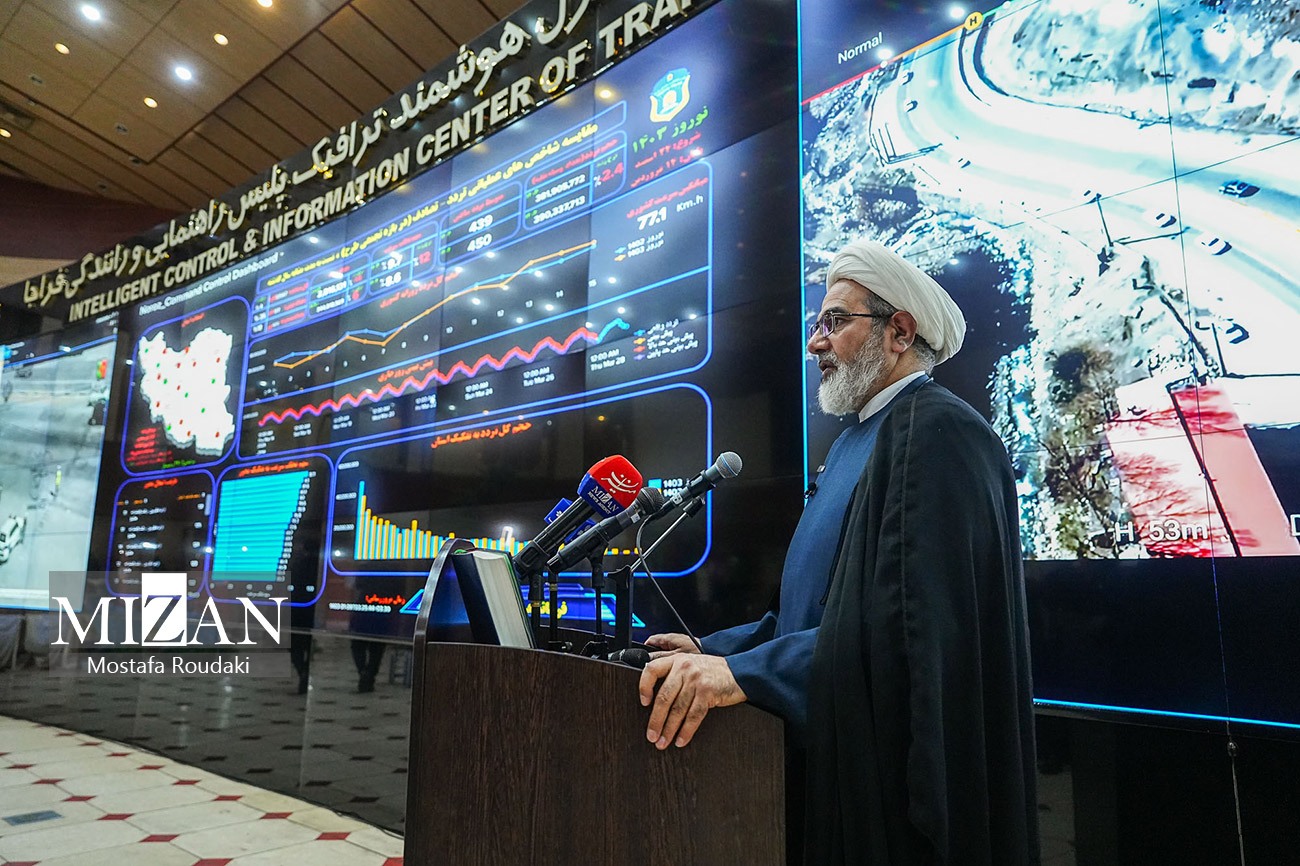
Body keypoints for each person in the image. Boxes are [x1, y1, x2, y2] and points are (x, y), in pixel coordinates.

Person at [639, 238, 1039, 864]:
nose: (814, 343)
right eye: (817, 324)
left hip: (887, 791)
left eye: (834, 322)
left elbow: (908, 637)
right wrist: (714, 652)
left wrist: (747, 675)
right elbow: (810, 614)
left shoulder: (937, 432)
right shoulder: (858, 441)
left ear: (899, 332)